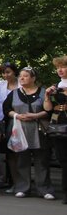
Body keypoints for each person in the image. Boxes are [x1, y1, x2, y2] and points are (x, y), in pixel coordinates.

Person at [3, 67, 54, 199]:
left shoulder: (43, 92)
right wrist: (17, 115)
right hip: (20, 130)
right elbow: (6, 109)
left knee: (41, 160)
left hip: (39, 130)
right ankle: (22, 188)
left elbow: (49, 110)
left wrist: (36, 115)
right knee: (21, 160)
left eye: (26, 76)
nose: (22, 78)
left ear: (33, 78)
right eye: (21, 76)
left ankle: (44, 189)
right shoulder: (13, 93)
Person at [0, 61, 20, 189]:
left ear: (14, 72)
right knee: (2, 153)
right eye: (3, 73)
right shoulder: (0, 84)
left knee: (16, 152)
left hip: (16, 120)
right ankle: (5, 180)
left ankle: (18, 182)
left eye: (8, 72)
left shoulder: (20, 84)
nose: (5, 75)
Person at [43, 55, 67, 203]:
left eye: (63, 67)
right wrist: (46, 95)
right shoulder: (56, 86)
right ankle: (66, 192)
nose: (60, 70)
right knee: (63, 159)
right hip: (58, 124)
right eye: (58, 67)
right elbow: (47, 109)